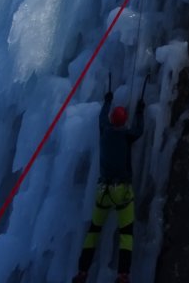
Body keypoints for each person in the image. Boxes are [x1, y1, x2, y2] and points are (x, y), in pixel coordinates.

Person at [72, 90, 146, 283]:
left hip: (102, 192)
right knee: (126, 234)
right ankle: (122, 275)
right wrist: (140, 111)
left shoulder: (104, 129)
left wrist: (108, 100)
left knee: (94, 230)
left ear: (113, 120)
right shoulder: (127, 136)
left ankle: (82, 272)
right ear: (123, 122)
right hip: (121, 192)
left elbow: (102, 116)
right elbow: (139, 130)